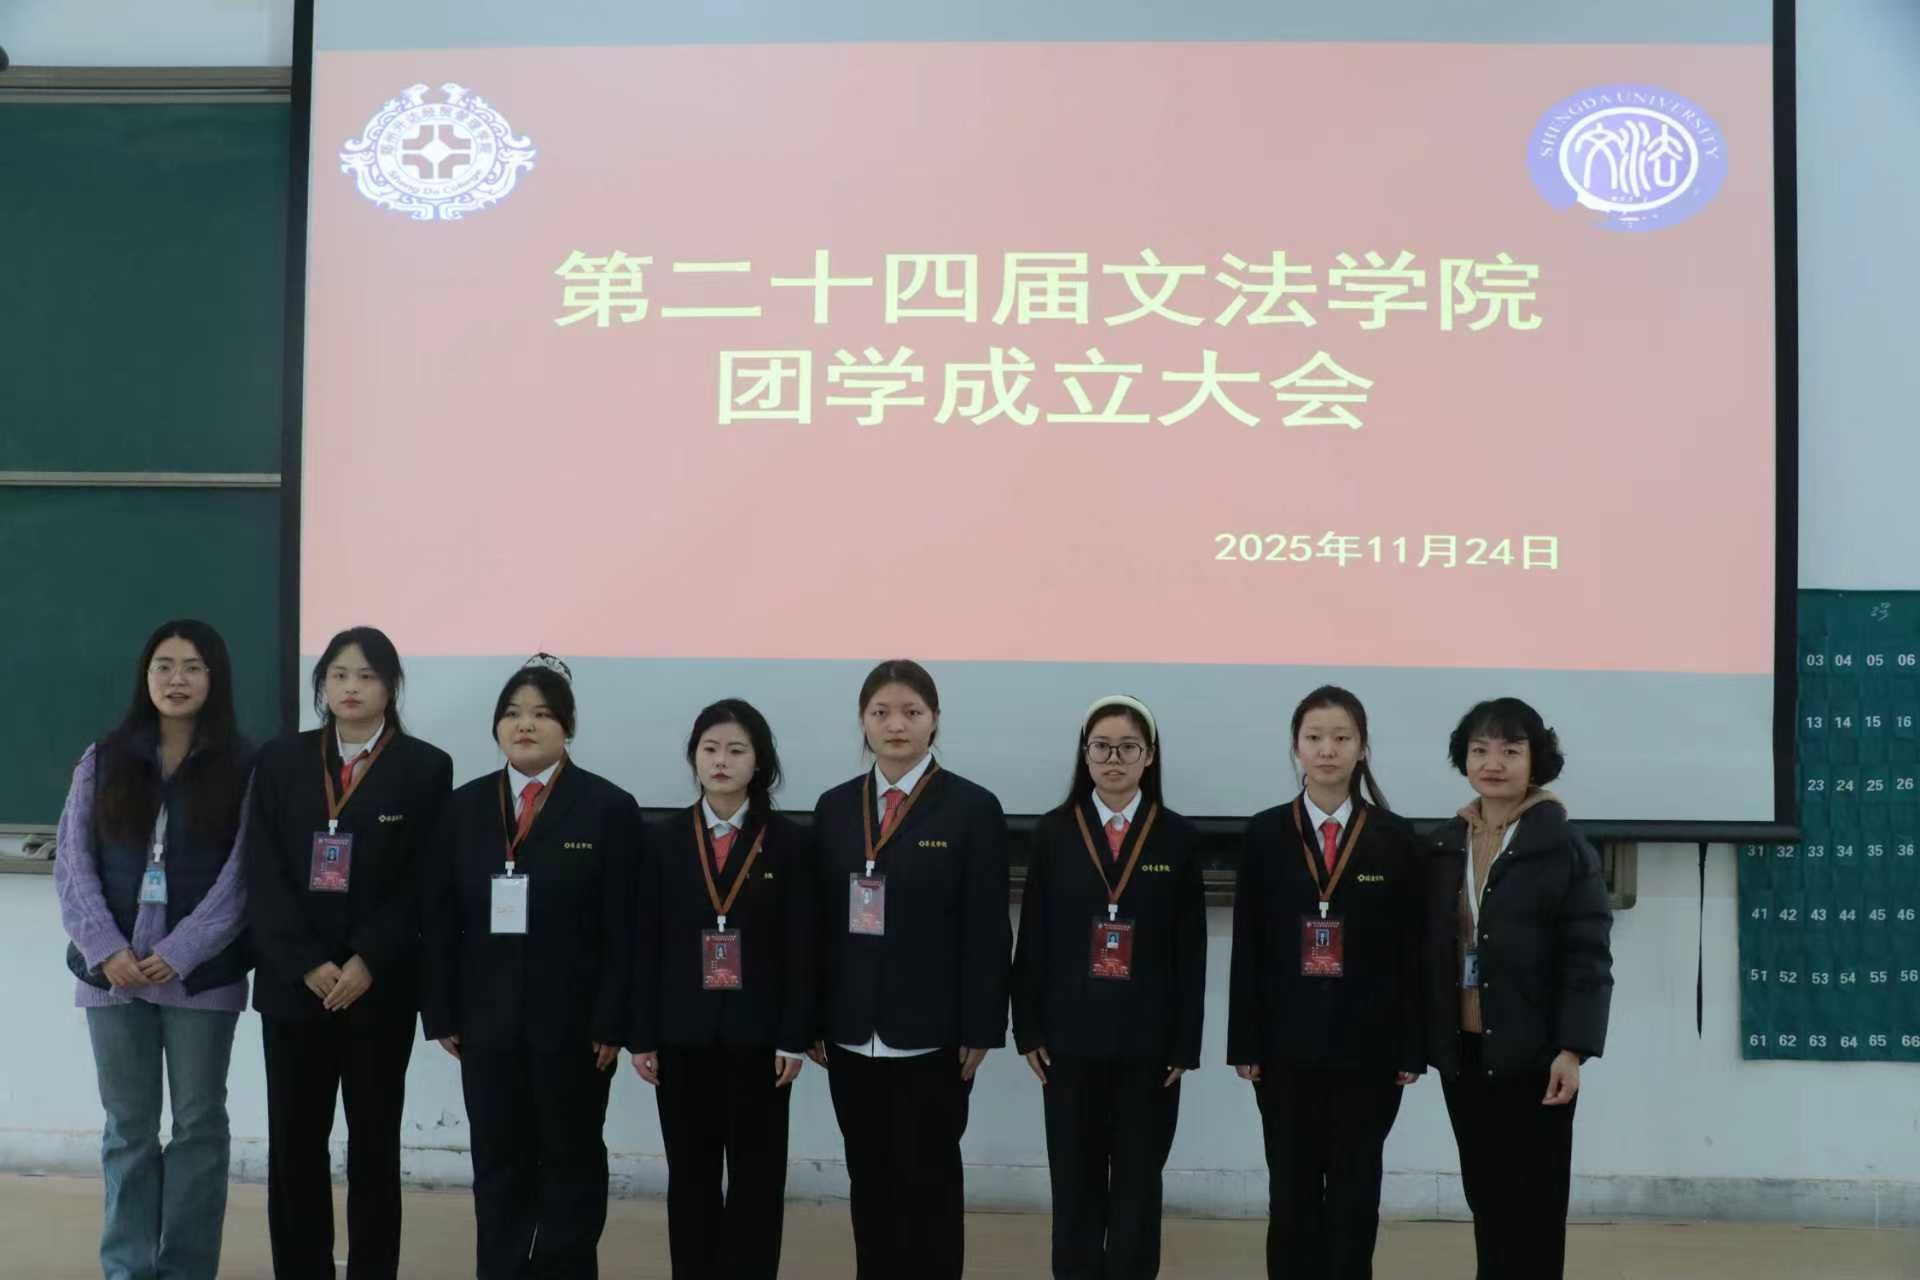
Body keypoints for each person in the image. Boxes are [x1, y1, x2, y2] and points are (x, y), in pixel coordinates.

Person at [421, 655, 643, 1279]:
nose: (526, 725)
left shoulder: (607, 807)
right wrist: (442, 1011)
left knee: (572, 1162)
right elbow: (438, 917)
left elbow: (625, 926)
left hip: (575, 1027)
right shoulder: (464, 808)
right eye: (513, 713)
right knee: (497, 1162)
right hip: (485, 1022)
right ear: (496, 726)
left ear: (567, 728)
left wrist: (613, 1019)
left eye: (543, 714)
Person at [244, 625, 453, 1279]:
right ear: (322, 686)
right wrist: (306, 960)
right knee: (294, 1147)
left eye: (366, 675)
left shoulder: (426, 767)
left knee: (374, 1147)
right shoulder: (280, 761)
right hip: (294, 985)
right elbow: (262, 870)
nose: (351, 687)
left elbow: (426, 881)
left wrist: (369, 959)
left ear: (391, 686)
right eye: (338, 674)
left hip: (377, 988)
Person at [53, 619, 254, 1280]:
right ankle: (127, 1268)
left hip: (201, 979)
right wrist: (106, 949)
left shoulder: (245, 766)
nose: (176, 679)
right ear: (146, 677)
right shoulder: (103, 758)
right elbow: (72, 863)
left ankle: (186, 1268)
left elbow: (243, 876)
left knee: (198, 1127)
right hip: (113, 980)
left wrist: (183, 949)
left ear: (214, 679)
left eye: (192, 667)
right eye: (164, 665)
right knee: (128, 1129)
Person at [807, 659, 1011, 1280]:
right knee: (868, 1181)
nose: (896, 725)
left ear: (934, 720)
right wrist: (812, 1015)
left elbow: (987, 928)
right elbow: (815, 923)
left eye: (911, 712)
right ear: (863, 721)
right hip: (849, 1032)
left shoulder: (972, 807)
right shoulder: (834, 807)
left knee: (930, 1184)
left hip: (934, 1034)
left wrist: (981, 1026)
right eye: (881, 712)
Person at [1226, 686, 1426, 1280]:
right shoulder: (1265, 834)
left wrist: (1411, 1046)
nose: (1327, 750)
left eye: (1341, 738)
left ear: (1362, 747)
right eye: (1314, 737)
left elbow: (1412, 950)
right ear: (1296, 747)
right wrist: (1246, 1042)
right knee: (1290, 1192)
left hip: (1370, 1049)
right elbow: (1248, 944)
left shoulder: (1396, 839)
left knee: (1355, 1193)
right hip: (1284, 1048)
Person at [1011, 695, 1206, 1280]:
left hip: (1150, 1045)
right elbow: (1033, 936)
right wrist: (1028, 1029)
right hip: (1068, 1041)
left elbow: (1190, 949)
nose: (1114, 759)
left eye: (1128, 747)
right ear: (1085, 754)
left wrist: (1185, 1043)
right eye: (1102, 747)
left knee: (1138, 1186)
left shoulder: (1176, 836)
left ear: (1150, 756)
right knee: (1075, 1183)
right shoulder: (1054, 832)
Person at [1423, 697, 1613, 1280]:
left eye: (1510, 750)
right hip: (1464, 1051)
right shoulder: (1444, 845)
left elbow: (1587, 957)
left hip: (1536, 1057)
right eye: (1480, 749)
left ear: (1536, 761)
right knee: (1487, 1198)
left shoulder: (1563, 847)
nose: (1493, 763)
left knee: (1535, 1205)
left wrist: (1572, 1049)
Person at [630, 698, 815, 1279]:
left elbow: (802, 947)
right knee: (690, 1179)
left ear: (759, 762)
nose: (721, 761)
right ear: (694, 758)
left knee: (758, 1182)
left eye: (736, 750)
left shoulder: (789, 843)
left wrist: (794, 1036)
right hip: (680, 1038)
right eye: (709, 749)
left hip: (762, 1043)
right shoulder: (662, 840)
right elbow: (645, 943)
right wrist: (642, 1035)